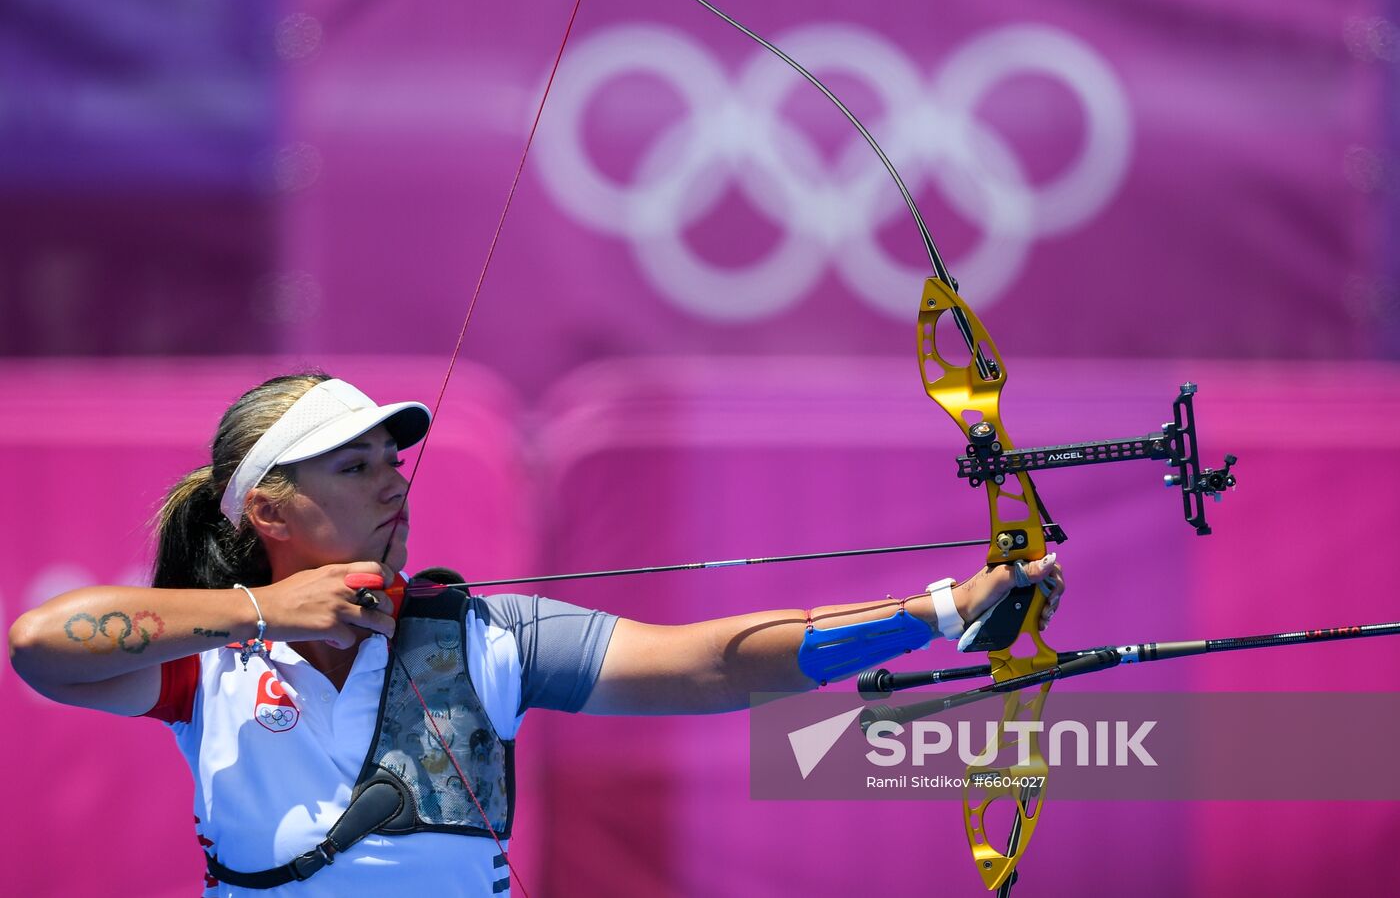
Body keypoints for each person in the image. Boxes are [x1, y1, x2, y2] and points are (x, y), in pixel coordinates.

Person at [7, 372, 1065, 897]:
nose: (392, 480)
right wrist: (262, 613)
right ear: (268, 513)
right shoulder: (207, 666)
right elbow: (41, 644)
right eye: (355, 465)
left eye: (393, 459)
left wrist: (931, 614)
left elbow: (704, 665)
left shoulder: (480, 639)